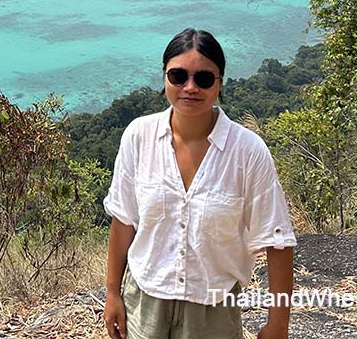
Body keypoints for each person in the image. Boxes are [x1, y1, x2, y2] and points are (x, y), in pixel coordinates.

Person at [102, 28, 296, 339]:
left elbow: (277, 241)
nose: (190, 87)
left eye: (204, 79)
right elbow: (124, 221)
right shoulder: (139, 136)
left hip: (213, 309)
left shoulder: (247, 151)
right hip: (145, 300)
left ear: (220, 84)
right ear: (164, 77)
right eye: (178, 76)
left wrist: (278, 323)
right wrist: (113, 293)